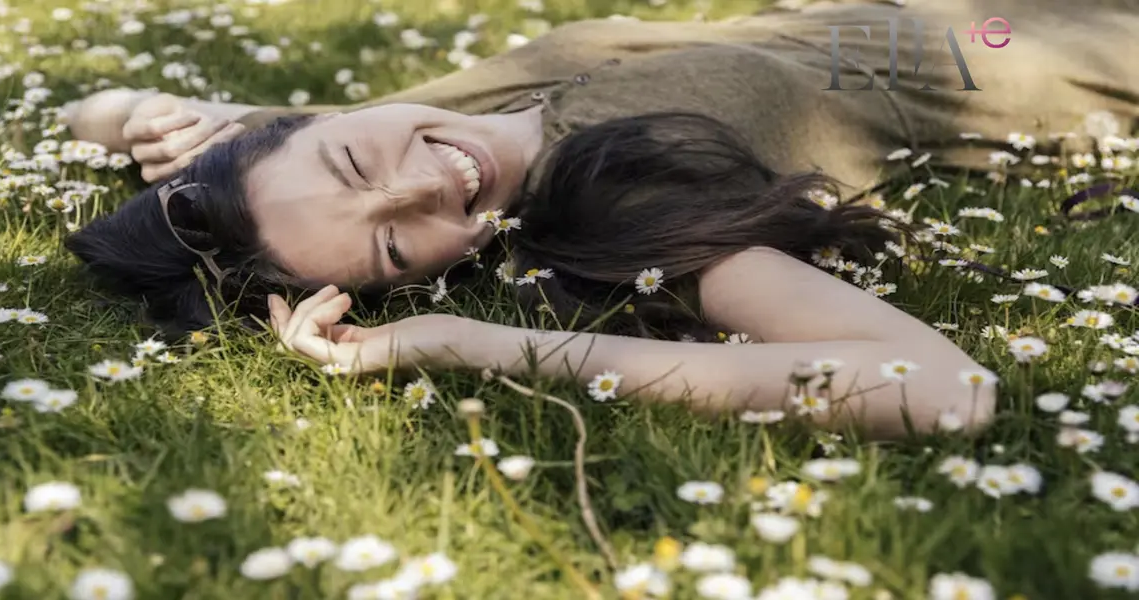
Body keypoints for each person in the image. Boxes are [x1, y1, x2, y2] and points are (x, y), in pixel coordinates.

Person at [61, 0, 1139, 439]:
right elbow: (948, 394)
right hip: (1073, 59)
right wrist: (472, 342)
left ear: (306, 123)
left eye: (349, 153)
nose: (428, 184)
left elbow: (86, 113)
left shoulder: (396, 125)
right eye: (394, 245)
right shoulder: (625, 201)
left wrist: (138, 115)